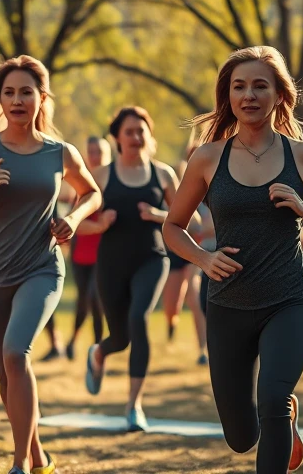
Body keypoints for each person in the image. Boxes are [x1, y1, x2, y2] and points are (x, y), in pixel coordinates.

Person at [163, 46, 303, 474]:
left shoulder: (302, 154)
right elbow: (173, 227)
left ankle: (279, 413)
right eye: (239, 86)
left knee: (271, 398)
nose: (248, 95)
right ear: (228, 96)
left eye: (259, 86)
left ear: (279, 96)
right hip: (227, 303)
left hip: (290, 297)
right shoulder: (207, 158)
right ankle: (282, 423)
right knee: (241, 437)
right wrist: (203, 258)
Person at [0, 55, 102, 474]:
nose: (17, 99)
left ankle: (19, 466)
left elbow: (92, 194)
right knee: (6, 379)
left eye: (25, 92)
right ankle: (37, 454)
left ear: (41, 98)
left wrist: (73, 218)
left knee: (15, 353)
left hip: (41, 268)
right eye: (8, 92)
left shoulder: (58, 152)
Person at [84, 107, 176, 432]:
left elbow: (189, 219)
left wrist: (159, 215)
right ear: (117, 137)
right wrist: (98, 226)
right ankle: (99, 352)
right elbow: (74, 222)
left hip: (152, 258)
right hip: (111, 265)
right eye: (129, 132)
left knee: (139, 319)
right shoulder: (100, 177)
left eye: (142, 131)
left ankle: (134, 405)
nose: (136, 137)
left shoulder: (163, 174)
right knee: (121, 339)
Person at [162, 137, 209, 365]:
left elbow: (206, 226)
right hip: (178, 250)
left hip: (201, 252)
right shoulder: (181, 187)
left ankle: (203, 350)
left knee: (193, 292)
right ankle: (172, 323)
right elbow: (172, 221)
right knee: (171, 305)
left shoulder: (217, 185)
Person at [63, 136, 110, 360]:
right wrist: (97, 226)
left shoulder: (113, 183)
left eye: (99, 151)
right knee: (84, 299)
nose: (94, 156)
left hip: (103, 254)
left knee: (96, 297)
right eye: (91, 151)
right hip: (80, 254)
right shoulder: (82, 184)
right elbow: (75, 220)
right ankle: (73, 341)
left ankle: (98, 346)